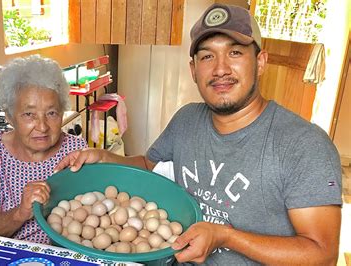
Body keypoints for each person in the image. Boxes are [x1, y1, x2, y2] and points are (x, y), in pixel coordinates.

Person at [54, 3, 342, 265]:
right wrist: (103, 157)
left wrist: (226, 236)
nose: (220, 69)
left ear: (261, 61)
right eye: (207, 56)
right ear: (193, 70)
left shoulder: (303, 145)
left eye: (235, 52)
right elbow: (148, 165)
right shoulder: (188, 120)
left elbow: (321, 253)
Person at [0, 55, 87, 243]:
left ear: (62, 112)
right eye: (29, 114)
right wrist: (20, 213)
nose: (42, 126)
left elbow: (89, 220)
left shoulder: (76, 151)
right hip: (14, 253)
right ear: (9, 117)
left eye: (51, 113)